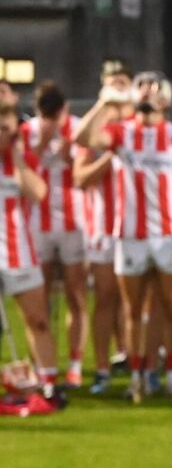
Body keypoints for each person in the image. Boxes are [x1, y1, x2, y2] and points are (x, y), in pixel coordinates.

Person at [74, 71, 172, 401]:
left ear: (166, 98)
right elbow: (83, 137)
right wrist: (106, 102)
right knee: (132, 312)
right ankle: (137, 377)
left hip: (168, 236)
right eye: (141, 87)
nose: (146, 92)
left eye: (153, 87)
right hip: (129, 236)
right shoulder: (121, 132)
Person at [73, 59, 136, 393]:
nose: (118, 88)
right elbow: (79, 175)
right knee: (106, 297)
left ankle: (134, 360)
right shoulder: (100, 125)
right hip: (103, 226)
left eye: (123, 81)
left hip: (137, 225)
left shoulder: (139, 122)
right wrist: (109, 158)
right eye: (112, 82)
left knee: (137, 301)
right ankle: (100, 369)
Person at [21, 82, 88, 390]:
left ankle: (74, 365)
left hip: (75, 220)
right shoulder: (26, 132)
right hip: (38, 222)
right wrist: (41, 144)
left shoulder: (77, 129)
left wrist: (69, 155)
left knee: (76, 294)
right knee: (40, 297)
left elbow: (85, 172)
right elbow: (19, 167)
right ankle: (42, 366)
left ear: (65, 110)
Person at [0, 103, 64, 408]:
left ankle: (48, 382)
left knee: (37, 319)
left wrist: (16, 157)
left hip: (19, 251)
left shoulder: (22, 160)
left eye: (7, 129)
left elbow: (38, 193)